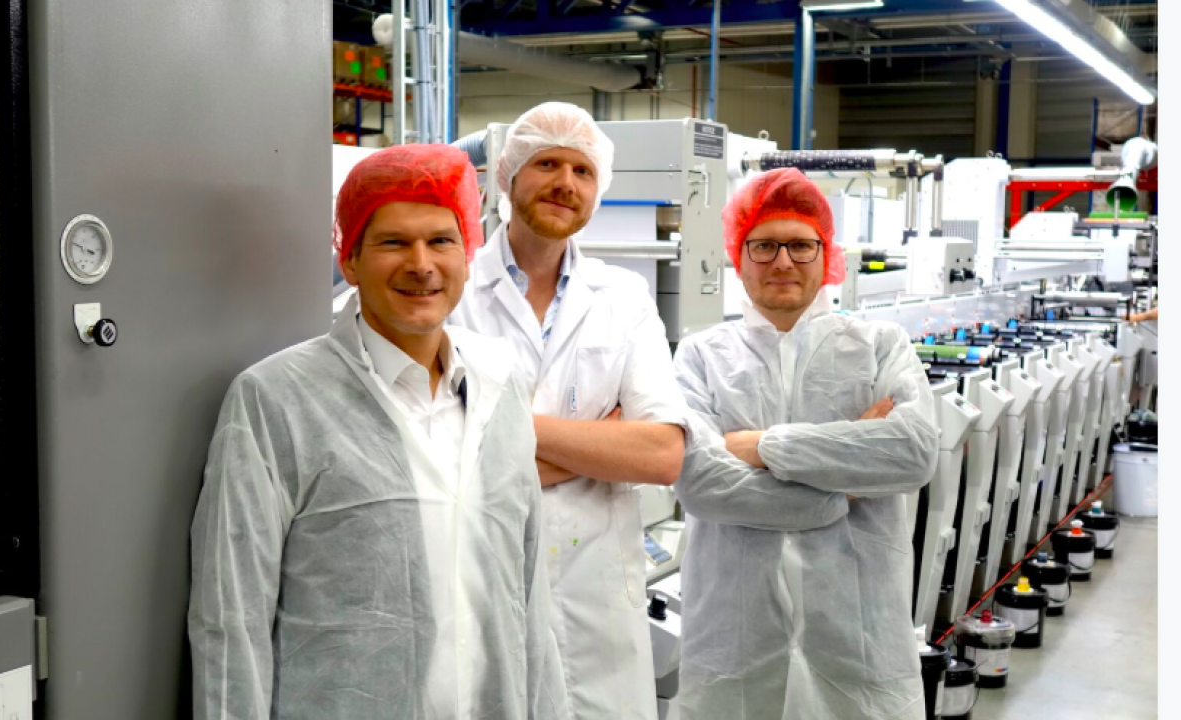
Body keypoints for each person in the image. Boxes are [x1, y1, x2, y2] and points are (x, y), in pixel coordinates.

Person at [188, 144, 570, 720]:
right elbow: (230, 617)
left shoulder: (500, 387)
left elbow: (528, 597)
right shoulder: (277, 398)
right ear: (350, 261)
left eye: (441, 240)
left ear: (467, 255)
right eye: (394, 242)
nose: (421, 264)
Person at [671, 167, 939, 719]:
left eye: (800, 245)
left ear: (826, 254)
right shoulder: (700, 356)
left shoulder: (879, 345)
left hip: (858, 638)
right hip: (734, 639)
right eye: (764, 245)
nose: (783, 262)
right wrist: (842, 491)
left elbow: (912, 451)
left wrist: (764, 446)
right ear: (738, 256)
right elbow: (699, 482)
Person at [449, 102, 687, 720]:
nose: (565, 182)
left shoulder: (622, 296)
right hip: (474, 578)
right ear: (506, 176)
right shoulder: (451, 290)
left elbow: (661, 455)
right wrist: (598, 446)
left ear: (598, 189)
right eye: (546, 163)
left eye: (582, 170)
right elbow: (433, 458)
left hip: (597, 596)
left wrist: (498, 430)